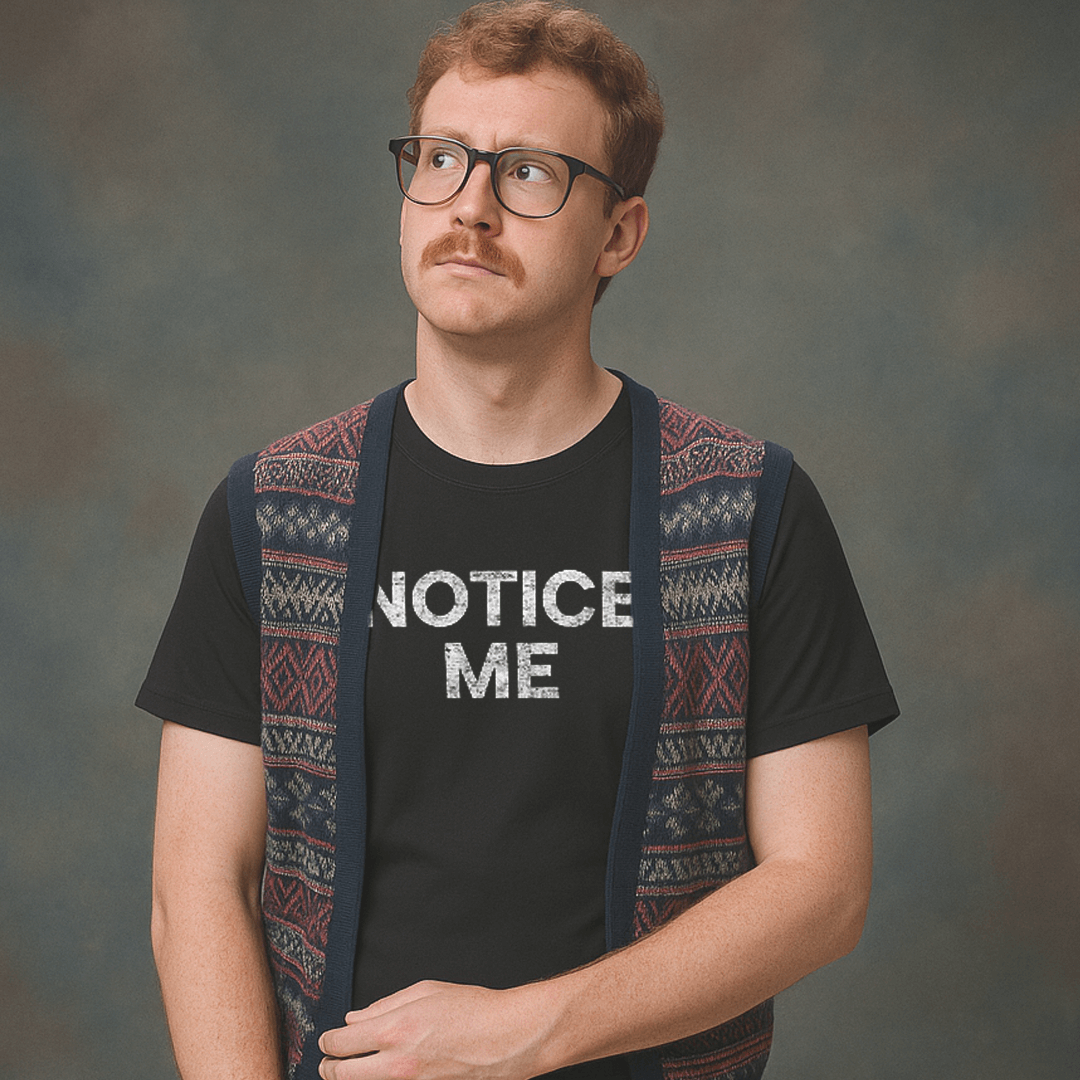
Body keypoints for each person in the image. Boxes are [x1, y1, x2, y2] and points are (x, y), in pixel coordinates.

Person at [138, 3, 899, 1079]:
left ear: (619, 234)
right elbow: (198, 886)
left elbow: (823, 888)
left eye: (530, 172)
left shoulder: (742, 507)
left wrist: (522, 1031)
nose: (471, 207)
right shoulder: (274, 511)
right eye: (441, 159)